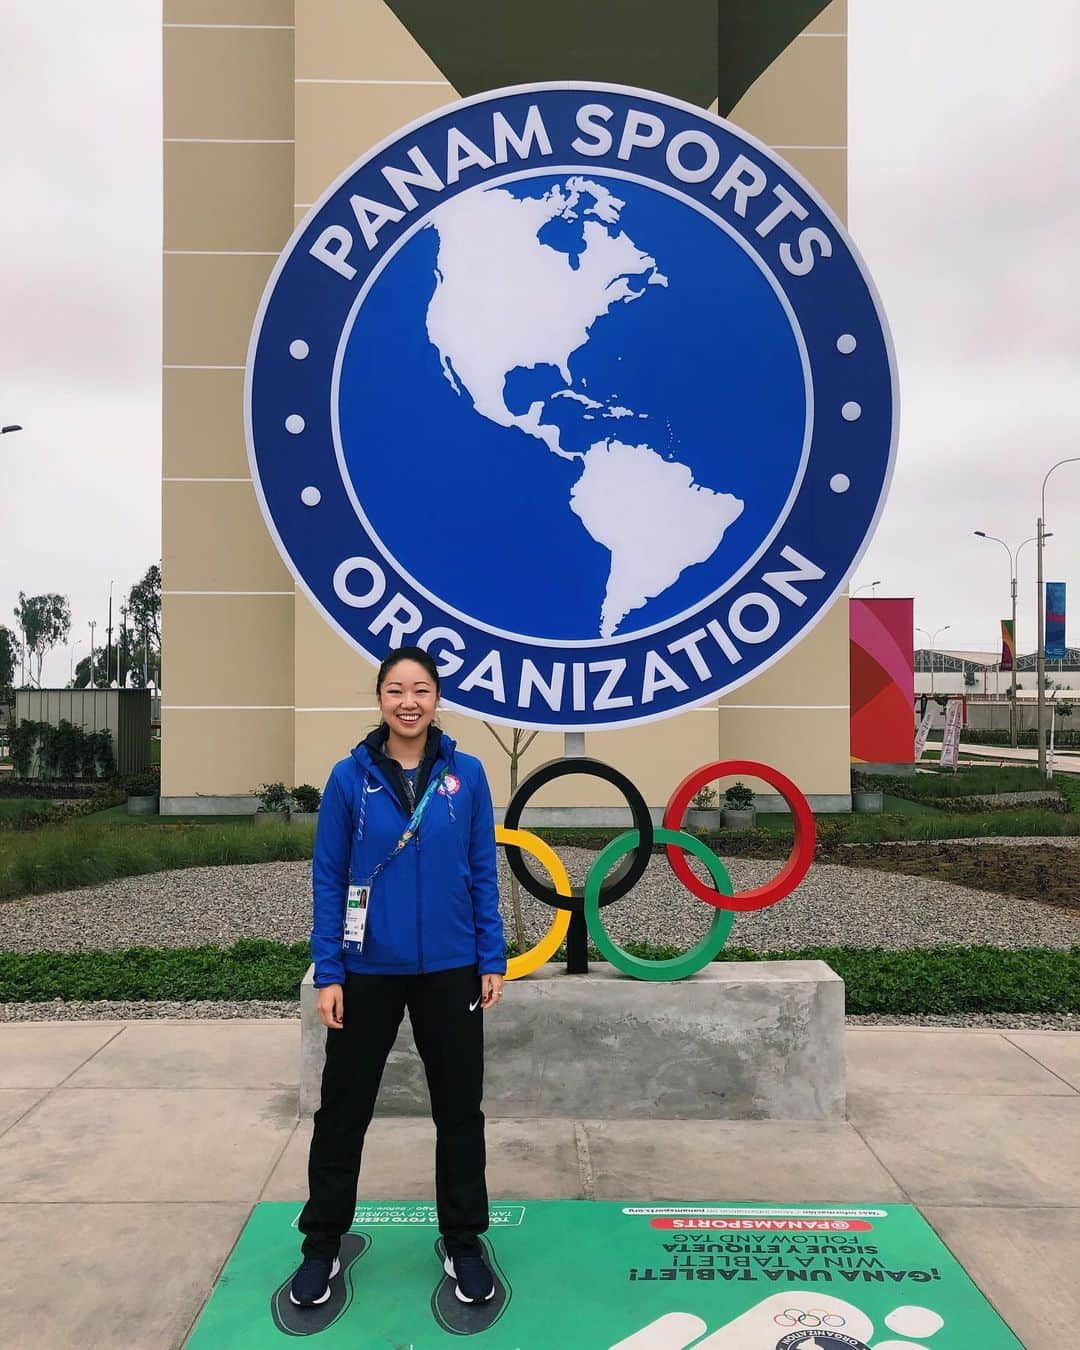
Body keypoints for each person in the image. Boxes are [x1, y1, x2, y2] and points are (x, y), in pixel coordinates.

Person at [288, 646, 506, 1309]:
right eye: (395, 689)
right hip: (366, 971)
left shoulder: (465, 776)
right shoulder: (350, 780)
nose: (408, 701)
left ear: (437, 698)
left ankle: (463, 1242)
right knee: (343, 1112)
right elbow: (329, 877)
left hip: (450, 969)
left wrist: (490, 956)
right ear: (379, 698)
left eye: (421, 689)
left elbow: (481, 870)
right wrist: (329, 969)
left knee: (459, 1113)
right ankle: (323, 1245)